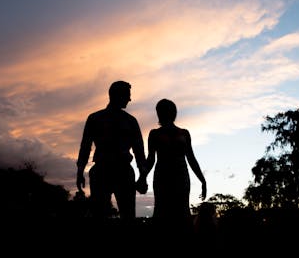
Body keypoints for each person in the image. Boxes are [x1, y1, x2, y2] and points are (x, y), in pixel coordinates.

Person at [76, 80, 147, 224]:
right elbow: (85, 146)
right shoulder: (97, 119)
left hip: (121, 173)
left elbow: (139, 152)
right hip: (104, 172)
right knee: (101, 216)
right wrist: (79, 171)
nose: (130, 99)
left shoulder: (128, 121)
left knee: (126, 217)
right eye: (127, 95)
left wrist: (143, 176)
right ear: (117, 95)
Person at [137, 98, 206, 240]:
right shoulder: (154, 134)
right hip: (162, 177)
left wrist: (202, 180)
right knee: (162, 210)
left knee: (182, 211)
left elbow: (191, 158)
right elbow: (151, 159)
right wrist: (142, 176)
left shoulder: (184, 133)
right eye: (164, 110)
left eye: (170, 110)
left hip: (181, 177)